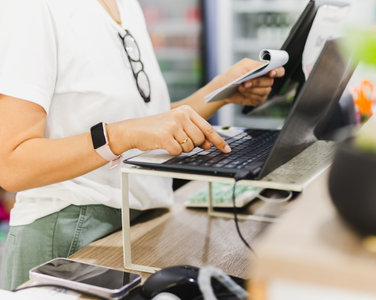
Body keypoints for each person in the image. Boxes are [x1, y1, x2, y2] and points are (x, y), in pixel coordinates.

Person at [0, 0, 285, 290]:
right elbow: (11, 164)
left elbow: (148, 125)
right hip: (69, 233)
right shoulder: (32, 7)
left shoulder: (126, 6)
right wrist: (122, 135)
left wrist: (222, 91)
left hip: (139, 220)